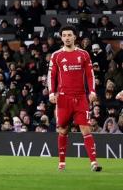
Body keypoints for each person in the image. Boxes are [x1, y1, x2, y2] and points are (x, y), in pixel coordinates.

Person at [48, 25, 102, 172]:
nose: (67, 37)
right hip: (64, 99)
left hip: (81, 98)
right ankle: (62, 163)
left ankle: (94, 163)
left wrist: (92, 91)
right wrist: (51, 93)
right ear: (61, 38)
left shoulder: (84, 54)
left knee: (85, 128)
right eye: (64, 35)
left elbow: (90, 74)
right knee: (63, 130)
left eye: (69, 35)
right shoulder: (56, 55)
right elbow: (51, 76)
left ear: (75, 37)